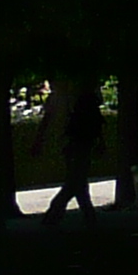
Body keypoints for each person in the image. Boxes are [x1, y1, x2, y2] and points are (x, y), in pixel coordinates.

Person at [33, 76, 103, 217]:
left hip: (71, 143)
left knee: (77, 181)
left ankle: (59, 215)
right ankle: (62, 214)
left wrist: (39, 141)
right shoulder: (79, 98)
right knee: (77, 181)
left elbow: (47, 122)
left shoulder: (65, 99)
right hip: (78, 143)